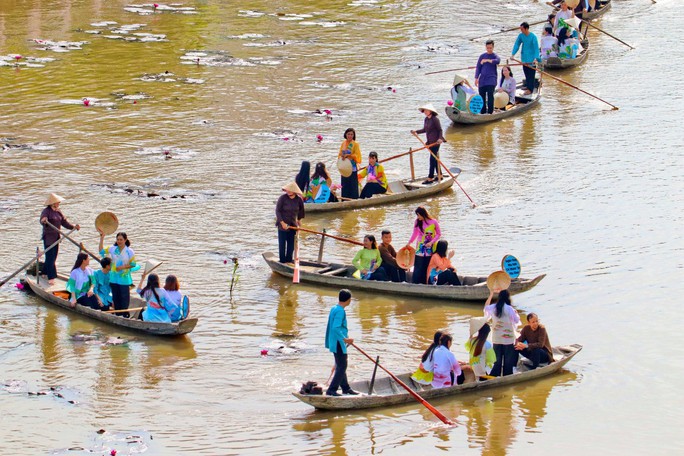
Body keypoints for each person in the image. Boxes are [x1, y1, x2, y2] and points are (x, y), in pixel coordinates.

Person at [39, 193, 80, 285]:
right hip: (49, 237)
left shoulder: (58, 211)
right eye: (57, 202)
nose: (59, 203)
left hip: (56, 237)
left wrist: (73, 227)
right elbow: (42, 220)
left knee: (54, 257)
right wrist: (44, 221)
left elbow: (64, 222)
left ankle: (44, 272)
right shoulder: (46, 211)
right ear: (53, 203)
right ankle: (51, 277)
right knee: (50, 257)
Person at [325, 289, 358, 396]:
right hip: (338, 342)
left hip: (335, 341)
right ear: (348, 300)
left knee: (340, 365)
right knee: (342, 366)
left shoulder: (334, 308)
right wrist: (345, 339)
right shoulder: (340, 311)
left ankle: (345, 388)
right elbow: (335, 328)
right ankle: (332, 390)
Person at [98, 230, 136, 318]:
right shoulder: (113, 249)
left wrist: (122, 267)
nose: (119, 241)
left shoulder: (129, 251)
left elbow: (133, 264)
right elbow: (101, 251)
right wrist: (102, 238)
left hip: (124, 279)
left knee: (124, 298)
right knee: (116, 297)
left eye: (121, 240)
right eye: (118, 239)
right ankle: (118, 314)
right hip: (113, 278)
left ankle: (124, 314)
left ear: (125, 240)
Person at [484, 289, 521, 376]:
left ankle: (495, 375)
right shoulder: (509, 309)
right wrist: (516, 313)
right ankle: (506, 376)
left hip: (496, 338)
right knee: (508, 361)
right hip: (508, 338)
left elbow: (486, 308)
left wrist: (491, 295)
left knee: (497, 360)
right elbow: (516, 321)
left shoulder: (493, 307)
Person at [411, 104, 445, 185]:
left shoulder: (435, 119)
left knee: (432, 159)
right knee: (435, 158)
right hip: (430, 142)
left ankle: (430, 178)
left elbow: (440, 130)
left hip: (436, 142)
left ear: (430, 111)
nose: (425, 112)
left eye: (426, 110)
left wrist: (440, 139)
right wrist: (416, 132)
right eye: (424, 111)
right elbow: (425, 129)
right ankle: (440, 175)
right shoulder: (426, 119)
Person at [406, 206, 440, 285]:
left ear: (423, 214)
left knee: (427, 265)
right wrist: (409, 242)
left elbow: (438, 234)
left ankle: (426, 282)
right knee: (418, 266)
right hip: (420, 247)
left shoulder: (434, 222)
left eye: (418, 215)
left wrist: (431, 242)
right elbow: (415, 233)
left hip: (430, 246)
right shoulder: (417, 222)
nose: (418, 217)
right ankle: (415, 283)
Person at [275, 182, 305, 263]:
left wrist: (299, 222)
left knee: (291, 245)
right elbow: (278, 211)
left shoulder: (298, 200)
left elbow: (301, 211)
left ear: (294, 191)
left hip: (292, 225)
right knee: (282, 245)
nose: (288, 191)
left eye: (290, 190)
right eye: (287, 190)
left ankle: (288, 261)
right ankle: (282, 261)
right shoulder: (282, 198)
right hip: (282, 225)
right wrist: (282, 223)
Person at [511, 22, 541, 95]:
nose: (521, 30)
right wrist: (513, 54)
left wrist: (535, 58)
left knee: (531, 74)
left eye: (522, 29)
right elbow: (517, 44)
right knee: (526, 72)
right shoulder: (521, 36)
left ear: (526, 28)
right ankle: (528, 85)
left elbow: (536, 48)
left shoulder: (533, 37)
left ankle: (530, 89)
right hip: (524, 58)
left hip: (531, 59)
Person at [474, 40, 501, 115]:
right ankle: (482, 112)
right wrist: (476, 78)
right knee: (481, 95)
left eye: (490, 48)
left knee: (490, 95)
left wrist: (487, 60)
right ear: (485, 47)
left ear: (493, 47)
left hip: (491, 79)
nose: (489, 49)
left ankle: (490, 112)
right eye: (488, 48)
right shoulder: (482, 56)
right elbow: (478, 67)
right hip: (482, 79)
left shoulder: (495, 56)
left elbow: (498, 61)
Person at [338, 128, 362, 200]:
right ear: (346, 134)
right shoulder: (343, 143)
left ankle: (354, 199)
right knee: (344, 184)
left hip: (352, 167)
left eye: (351, 134)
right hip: (344, 167)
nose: (350, 136)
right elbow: (339, 154)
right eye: (348, 134)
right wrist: (341, 156)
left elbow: (357, 155)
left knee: (353, 185)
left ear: (353, 135)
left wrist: (349, 156)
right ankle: (344, 198)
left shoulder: (355, 144)